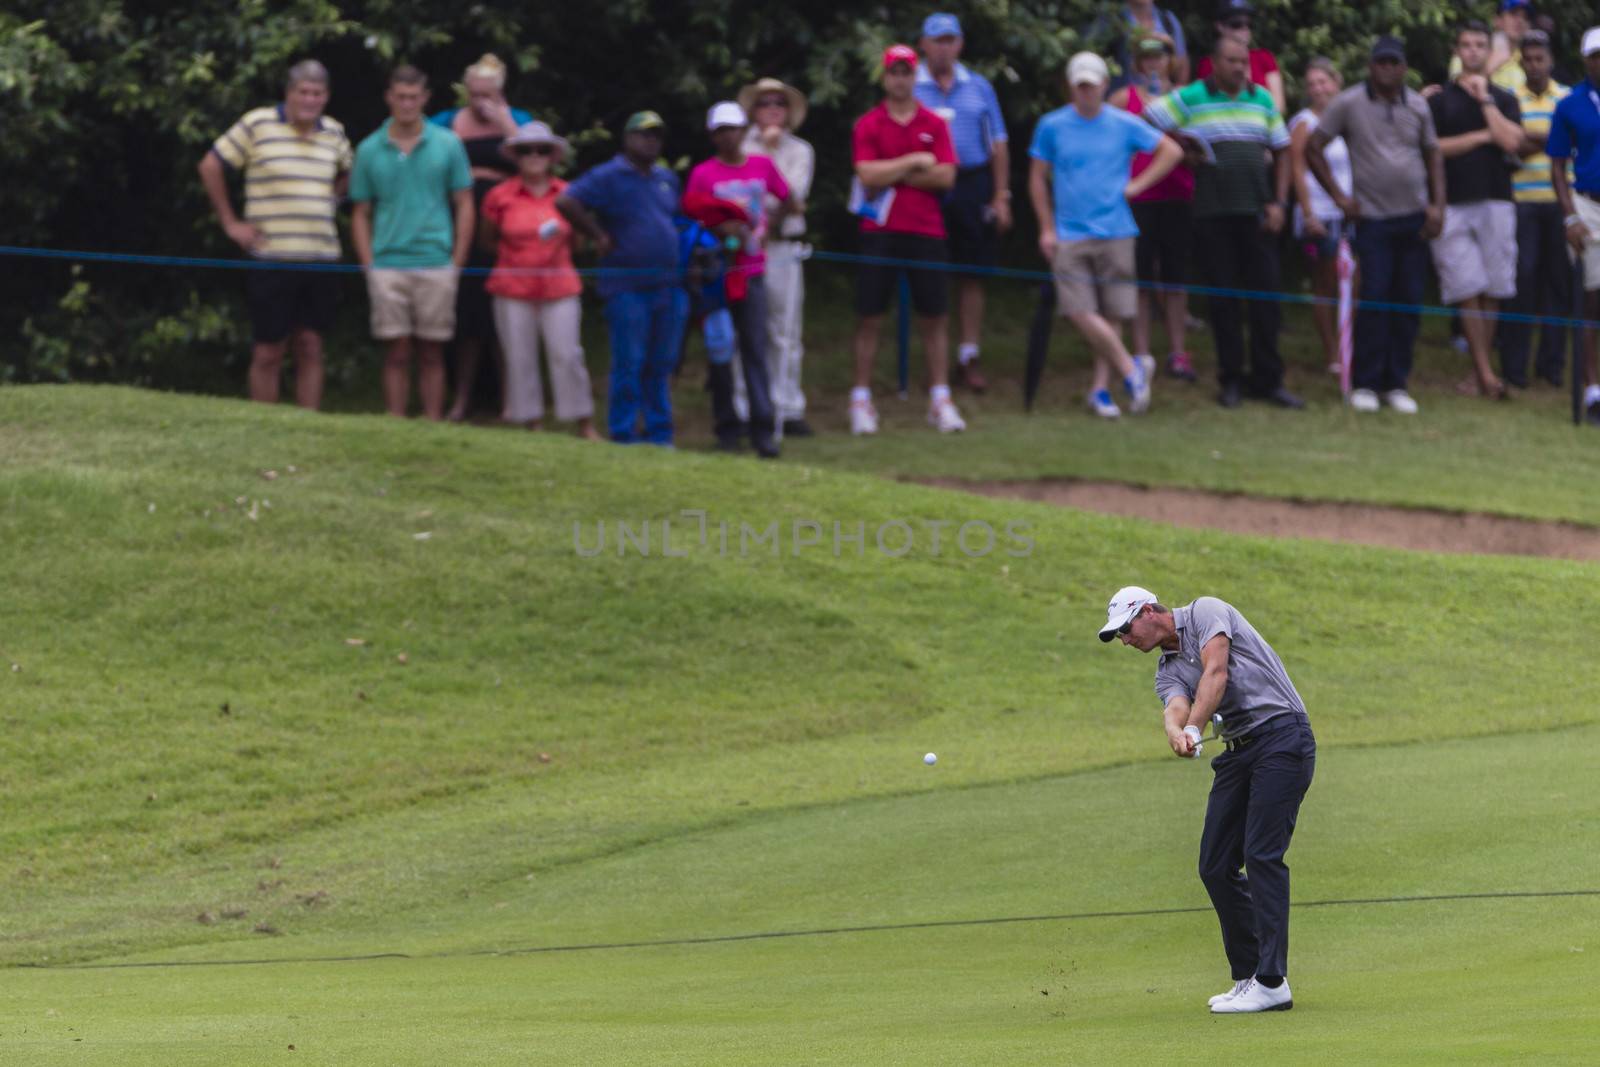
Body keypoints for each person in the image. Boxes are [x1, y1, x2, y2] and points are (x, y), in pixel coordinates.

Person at [1099, 586, 1316, 1015]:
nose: (1125, 640)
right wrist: (1176, 732)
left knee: (1262, 855)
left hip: (1282, 737)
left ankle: (1273, 982)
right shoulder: (1167, 669)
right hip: (1239, 752)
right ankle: (1249, 975)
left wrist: (1195, 728)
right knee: (1214, 864)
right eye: (1119, 636)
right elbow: (1175, 706)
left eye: (1126, 629)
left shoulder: (1206, 613)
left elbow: (1216, 672)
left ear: (1147, 611)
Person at [1144, 36, 1302, 410]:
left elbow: (1282, 150)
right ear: (1214, 62)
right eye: (1231, 61)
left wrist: (1280, 202)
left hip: (1258, 212)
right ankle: (1231, 379)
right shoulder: (1193, 96)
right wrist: (1181, 146)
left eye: (1243, 62)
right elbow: (1147, 120)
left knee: (1266, 300)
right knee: (1224, 300)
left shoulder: (1261, 98)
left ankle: (1268, 380)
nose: (1239, 68)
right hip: (1212, 213)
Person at [1029, 52, 1181, 418]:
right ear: (1071, 87)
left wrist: (1136, 186)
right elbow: (1036, 177)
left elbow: (1170, 150)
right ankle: (1131, 370)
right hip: (1070, 233)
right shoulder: (1052, 125)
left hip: (1117, 229)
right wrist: (1046, 227)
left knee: (1113, 314)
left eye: (1092, 84)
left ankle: (1100, 391)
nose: (1087, 91)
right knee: (1079, 310)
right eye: (1080, 85)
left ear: (1102, 85)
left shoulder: (1122, 123)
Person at [199, 60, 352, 410]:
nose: (310, 100)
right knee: (269, 348)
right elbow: (210, 165)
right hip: (270, 255)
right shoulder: (258, 123)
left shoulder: (335, 132)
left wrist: (332, 198)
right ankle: (265, 424)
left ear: (326, 97)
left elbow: (347, 173)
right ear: (289, 92)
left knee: (311, 344)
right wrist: (230, 223)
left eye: (317, 93)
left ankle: (307, 423)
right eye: (303, 92)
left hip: (321, 257)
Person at [1309, 37, 1445, 415]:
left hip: (1414, 218)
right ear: (1371, 66)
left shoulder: (1417, 104)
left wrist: (1438, 206)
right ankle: (1366, 382)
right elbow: (1312, 146)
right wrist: (1338, 197)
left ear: (1404, 68)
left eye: (1395, 63)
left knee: (1409, 300)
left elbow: (1433, 154)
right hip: (1372, 219)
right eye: (1381, 62)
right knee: (1375, 298)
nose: (1388, 69)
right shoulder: (1349, 102)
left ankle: (1396, 383)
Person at [848, 44, 966, 436]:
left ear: (915, 77)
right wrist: (914, 162)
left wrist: (891, 172)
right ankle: (861, 399)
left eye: (906, 72)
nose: (900, 79)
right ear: (885, 78)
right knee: (870, 317)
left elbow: (947, 176)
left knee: (934, 316)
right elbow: (866, 175)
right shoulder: (868, 124)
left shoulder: (934, 122)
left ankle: (940, 398)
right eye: (894, 72)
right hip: (879, 232)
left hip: (926, 230)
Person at [350, 66, 475, 420]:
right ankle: (396, 418)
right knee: (396, 350)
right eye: (400, 96)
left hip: (436, 260)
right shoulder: (370, 148)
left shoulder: (448, 143)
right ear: (389, 97)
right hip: (388, 261)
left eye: (413, 97)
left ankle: (433, 421)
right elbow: (361, 211)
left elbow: (464, 202)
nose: (407, 103)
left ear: (425, 98)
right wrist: (367, 263)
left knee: (432, 351)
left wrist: (458, 260)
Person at [557, 111, 688, 446]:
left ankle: (660, 433)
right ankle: (624, 432)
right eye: (643, 134)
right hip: (627, 286)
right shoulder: (609, 175)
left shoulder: (666, 178)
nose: (650, 141)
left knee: (661, 363)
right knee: (630, 362)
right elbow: (567, 200)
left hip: (668, 285)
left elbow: (672, 219)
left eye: (656, 135)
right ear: (627, 139)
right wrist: (598, 234)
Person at [428, 54, 533, 422]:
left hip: (507, 227)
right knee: (468, 317)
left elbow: (537, 162)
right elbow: (426, 150)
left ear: (501, 93)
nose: (480, 102)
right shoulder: (448, 122)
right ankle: (462, 399)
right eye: (474, 95)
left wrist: (505, 123)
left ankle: (511, 401)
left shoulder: (518, 121)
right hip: (460, 223)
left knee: (503, 316)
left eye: (488, 95)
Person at [479, 121, 598, 440]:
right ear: (515, 156)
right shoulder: (499, 195)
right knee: (519, 355)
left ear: (552, 155)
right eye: (526, 150)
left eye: (542, 149)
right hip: (512, 287)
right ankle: (529, 422)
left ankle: (582, 423)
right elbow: (487, 240)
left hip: (559, 286)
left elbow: (579, 243)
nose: (534, 155)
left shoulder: (569, 194)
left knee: (567, 354)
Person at [686, 101, 791, 459]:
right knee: (719, 349)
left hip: (751, 272)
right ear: (712, 135)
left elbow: (789, 199)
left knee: (755, 351)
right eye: (721, 130)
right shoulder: (703, 174)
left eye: (733, 128)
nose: (728, 135)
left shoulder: (762, 166)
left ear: (744, 131)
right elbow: (691, 217)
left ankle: (763, 429)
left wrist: (768, 226)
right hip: (716, 272)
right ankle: (727, 427)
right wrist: (719, 230)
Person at [914, 13, 1010, 394]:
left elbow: (998, 143)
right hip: (925, 184)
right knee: (930, 270)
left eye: (950, 40)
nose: (943, 47)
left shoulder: (979, 86)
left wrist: (1001, 195)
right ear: (924, 43)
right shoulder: (912, 85)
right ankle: (933, 361)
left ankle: (968, 355)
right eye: (937, 40)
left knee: (972, 272)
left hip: (972, 182)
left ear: (960, 44)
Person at [1430, 20, 1523, 401]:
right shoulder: (1438, 99)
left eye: (1479, 45)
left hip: (1497, 200)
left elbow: (1511, 141)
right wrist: (1481, 138)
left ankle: (1480, 374)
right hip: (1453, 202)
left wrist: (1485, 100)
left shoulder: (1503, 98)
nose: (1471, 51)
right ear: (1457, 50)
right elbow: (1432, 148)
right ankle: (1485, 374)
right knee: (1466, 287)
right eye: (1465, 44)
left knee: (1494, 287)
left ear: (1488, 52)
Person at [1110, 36, 1197, 382]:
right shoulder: (1122, 100)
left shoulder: (1184, 99)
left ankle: (1178, 353)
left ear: (1169, 61)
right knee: (1141, 280)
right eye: (1146, 58)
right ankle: (1141, 353)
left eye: (1159, 57)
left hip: (1178, 194)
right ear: (1136, 62)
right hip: (1138, 198)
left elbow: (1196, 147)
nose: (1153, 64)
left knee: (1175, 279)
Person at [737, 77, 816, 437]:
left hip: (783, 246)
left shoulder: (800, 150)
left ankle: (787, 406)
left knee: (785, 329)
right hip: (747, 246)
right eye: (765, 103)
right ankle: (745, 407)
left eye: (779, 104)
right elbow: (742, 195)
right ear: (753, 111)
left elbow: (791, 194)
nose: (772, 109)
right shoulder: (739, 145)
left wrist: (769, 156)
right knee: (747, 328)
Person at [1500, 31, 1571, 388]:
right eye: (1527, 59)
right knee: (1522, 283)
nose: (1533, 65)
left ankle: (1552, 366)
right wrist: (1553, 138)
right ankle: (1514, 368)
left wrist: (1533, 138)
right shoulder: (1511, 100)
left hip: (1560, 203)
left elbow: (1572, 145)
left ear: (1550, 60)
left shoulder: (1567, 98)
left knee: (1558, 285)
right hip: (1522, 204)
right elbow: (1513, 148)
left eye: (1539, 58)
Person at [1288, 57, 1355, 376]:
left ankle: (1349, 347)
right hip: (1319, 213)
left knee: (1354, 283)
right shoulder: (1304, 122)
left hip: (1349, 212)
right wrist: (1308, 212)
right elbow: (1297, 169)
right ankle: (1332, 354)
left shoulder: (1348, 117)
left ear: (1336, 81)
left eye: (1323, 82)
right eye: (1311, 84)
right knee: (1326, 284)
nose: (1318, 89)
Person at [1547, 26, 1600, 424]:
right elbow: (1557, 166)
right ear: (1586, 59)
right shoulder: (1569, 105)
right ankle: (1593, 390)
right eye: (1596, 55)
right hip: (1587, 205)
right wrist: (1569, 216)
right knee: (1591, 300)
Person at [1194, 0, 1285, 115]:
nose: (1245, 29)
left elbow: (1278, 106)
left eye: (1249, 25)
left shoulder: (1265, 57)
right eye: (1236, 24)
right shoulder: (1208, 63)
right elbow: (1203, 106)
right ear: (1219, 26)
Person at [1089, 0, 1191, 88]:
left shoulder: (1168, 20)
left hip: (1162, 101)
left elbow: (1181, 64)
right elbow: (1093, 60)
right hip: (1123, 103)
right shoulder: (1111, 21)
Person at [1447, 0, 1531, 92]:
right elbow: (1458, 92)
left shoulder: (1527, 60)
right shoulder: (1466, 52)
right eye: (1513, 14)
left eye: (1526, 17)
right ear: (1497, 20)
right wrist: (1495, 60)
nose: (1520, 20)